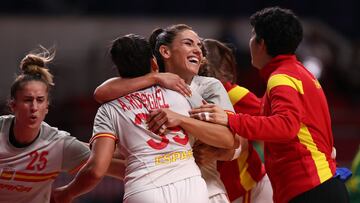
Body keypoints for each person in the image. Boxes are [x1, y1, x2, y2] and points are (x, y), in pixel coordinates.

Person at [189, 7, 350, 203]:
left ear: (261, 44)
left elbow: (285, 127)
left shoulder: (281, 78)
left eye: (252, 36)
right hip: (319, 185)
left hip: (308, 187)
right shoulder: (300, 73)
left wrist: (230, 119)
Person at [52, 34, 235, 203]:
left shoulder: (109, 109)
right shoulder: (184, 92)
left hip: (144, 190)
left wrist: (67, 192)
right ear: (154, 62)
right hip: (191, 186)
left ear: (119, 72)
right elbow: (228, 140)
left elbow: (96, 169)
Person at [0, 48, 91, 203]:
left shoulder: (59, 144)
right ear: (13, 105)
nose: (34, 107)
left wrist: (69, 192)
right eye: (28, 100)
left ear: (47, 107)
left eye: (40, 100)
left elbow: (105, 162)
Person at [197, 38, 273, 203]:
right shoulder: (183, 94)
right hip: (215, 188)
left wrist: (236, 144)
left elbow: (274, 124)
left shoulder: (233, 94)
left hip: (246, 185)